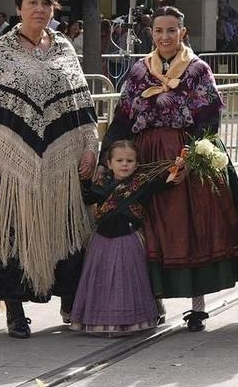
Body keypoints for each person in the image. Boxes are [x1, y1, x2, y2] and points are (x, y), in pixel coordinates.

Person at [0, 0, 101, 337]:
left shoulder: (63, 47)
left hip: (62, 161)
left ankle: (68, 302)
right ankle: (14, 312)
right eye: (32, 3)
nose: (40, 10)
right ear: (19, 8)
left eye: (46, 4)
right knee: (12, 233)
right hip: (9, 161)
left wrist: (90, 146)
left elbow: (81, 102)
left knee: (66, 231)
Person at [104, 6, 238, 332]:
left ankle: (197, 305)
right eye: (159, 31)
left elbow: (210, 119)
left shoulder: (197, 70)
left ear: (183, 33)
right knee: (150, 227)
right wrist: (105, 155)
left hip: (186, 154)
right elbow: (123, 118)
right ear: (152, 35)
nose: (165, 36)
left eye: (171, 30)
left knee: (191, 227)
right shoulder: (139, 71)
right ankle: (152, 298)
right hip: (147, 157)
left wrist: (191, 157)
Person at [69, 140, 182, 336]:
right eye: (119, 160)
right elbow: (87, 198)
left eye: (129, 160)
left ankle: (132, 319)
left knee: (128, 279)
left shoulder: (142, 182)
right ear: (109, 163)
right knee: (101, 280)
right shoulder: (102, 184)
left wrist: (179, 166)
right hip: (102, 240)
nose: (124, 164)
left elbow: (166, 182)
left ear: (136, 164)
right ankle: (101, 320)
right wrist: (84, 179)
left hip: (129, 238)